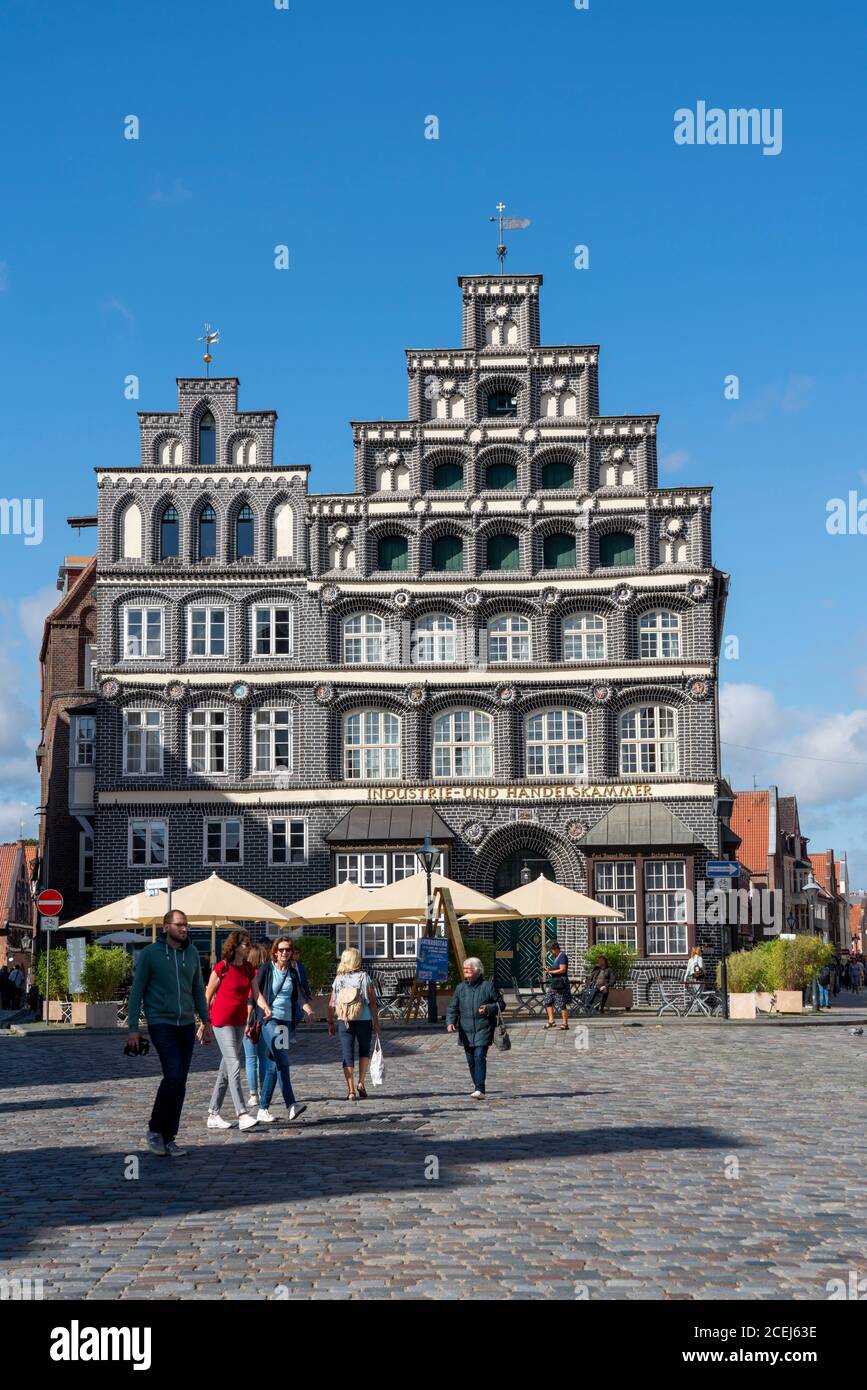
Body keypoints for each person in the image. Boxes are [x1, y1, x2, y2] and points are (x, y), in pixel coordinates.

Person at [126, 909, 212, 1156]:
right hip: (161, 1022)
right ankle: (155, 1130)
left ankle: (169, 1136)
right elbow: (136, 992)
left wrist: (205, 1021)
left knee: (181, 1080)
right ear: (166, 927)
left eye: (186, 925)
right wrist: (133, 1029)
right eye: (180, 925)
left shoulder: (193, 953)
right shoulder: (151, 954)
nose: (184, 929)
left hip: (186, 1024)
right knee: (173, 1074)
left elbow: (198, 988)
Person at [252, 937, 314, 1124]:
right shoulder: (266, 969)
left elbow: (299, 997)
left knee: (273, 1065)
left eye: (288, 949)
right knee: (283, 1059)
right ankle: (291, 1104)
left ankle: (263, 1109)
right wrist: (257, 1012)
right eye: (281, 950)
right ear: (275, 952)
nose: (285, 953)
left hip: (285, 1021)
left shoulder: (292, 973)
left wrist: (308, 1008)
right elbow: (255, 992)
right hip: (270, 1020)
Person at [204, 929, 258, 1133]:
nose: (248, 947)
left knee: (226, 1068)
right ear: (234, 946)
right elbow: (207, 995)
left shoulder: (248, 968)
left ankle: (213, 1113)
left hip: (239, 1021)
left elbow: (257, 993)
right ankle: (242, 1113)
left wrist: (265, 1007)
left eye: (249, 943)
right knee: (234, 1064)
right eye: (244, 943)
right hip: (221, 1021)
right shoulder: (222, 967)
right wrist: (204, 1022)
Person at [328, 947, 380, 1102]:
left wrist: (330, 1021)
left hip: (344, 1021)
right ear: (357, 960)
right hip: (363, 1019)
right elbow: (372, 1002)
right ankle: (361, 1082)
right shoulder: (364, 977)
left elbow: (332, 1002)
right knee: (364, 1051)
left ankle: (350, 1090)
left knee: (347, 1054)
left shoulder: (338, 980)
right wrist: (375, 1022)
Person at [446, 957, 501, 1099]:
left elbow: (501, 1004)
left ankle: (480, 1089)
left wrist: (489, 1008)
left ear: (477, 970)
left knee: (479, 1056)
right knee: (471, 1061)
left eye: (468, 969)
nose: (465, 972)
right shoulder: (460, 988)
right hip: (466, 1030)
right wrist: (450, 1022)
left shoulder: (488, 986)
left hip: (484, 1028)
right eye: (464, 969)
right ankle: (477, 1085)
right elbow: (453, 1007)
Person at [242, 943, 270, 1109]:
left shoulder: (248, 974)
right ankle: (264, 1092)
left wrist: (245, 1020)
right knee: (263, 1058)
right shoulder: (268, 973)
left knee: (250, 1059)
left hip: (250, 1018)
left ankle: (254, 1094)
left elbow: (249, 998)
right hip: (265, 1018)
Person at [542, 939, 572, 1030]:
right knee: (547, 999)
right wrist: (550, 969)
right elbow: (556, 968)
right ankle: (551, 1021)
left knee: (561, 1002)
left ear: (555, 948)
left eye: (551, 950)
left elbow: (562, 970)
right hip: (555, 983)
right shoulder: (556, 957)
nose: (550, 952)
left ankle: (565, 1024)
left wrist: (550, 971)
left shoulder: (562, 956)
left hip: (561, 983)